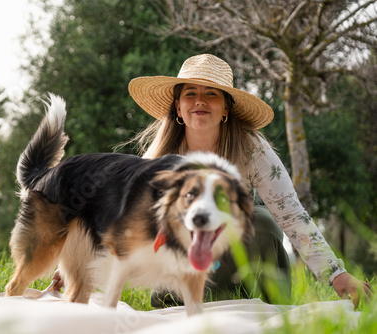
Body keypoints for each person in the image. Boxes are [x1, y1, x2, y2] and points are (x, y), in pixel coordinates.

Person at [126, 54, 370, 307]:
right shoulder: (160, 158)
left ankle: (268, 305)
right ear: (178, 107)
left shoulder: (250, 148)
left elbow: (292, 214)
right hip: (181, 269)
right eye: (190, 93)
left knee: (262, 222)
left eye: (211, 93)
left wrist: (337, 275)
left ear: (226, 108)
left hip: (238, 263)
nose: (199, 101)